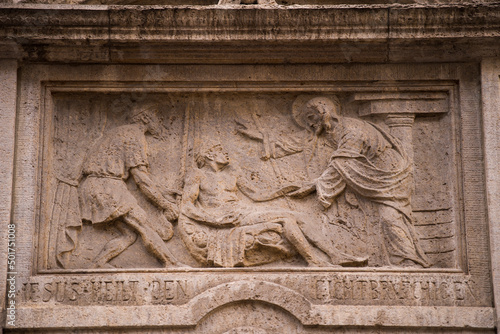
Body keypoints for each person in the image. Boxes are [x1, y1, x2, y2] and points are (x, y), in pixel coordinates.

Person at [288, 96, 431, 268]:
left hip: (387, 175)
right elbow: (304, 145)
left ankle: (408, 261)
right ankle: (382, 259)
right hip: (368, 176)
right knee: (372, 218)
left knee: (390, 216)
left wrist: (313, 186)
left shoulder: (352, 129)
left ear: (323, 112)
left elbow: (342, 161)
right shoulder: (335, 131)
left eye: (311, 118)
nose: (310, 124)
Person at [179, 143, 341, 267]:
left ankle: (333, 254)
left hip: (241, 212)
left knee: (299, 217)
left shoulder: (233, 172)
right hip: (224, 216)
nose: (226, 153)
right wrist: (216, 221)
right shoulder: (197, 175)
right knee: (287, 220)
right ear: (209, 154)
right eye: (221, 151)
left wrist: (286, 188)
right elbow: (187, 206)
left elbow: (257, 195)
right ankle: (314, 261)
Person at [78, 104, 185, 268]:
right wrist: (164, 204)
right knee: (143, 224)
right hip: (107, 186)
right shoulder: (133, 135)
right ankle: (171, 263)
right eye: (158, 119)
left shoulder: (119, 132)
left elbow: (141, 177)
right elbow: (141, 179)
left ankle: (98, 263)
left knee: (128, 235)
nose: (160, 123)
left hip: (94, 186)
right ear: (145, 118)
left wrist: (163, 192)